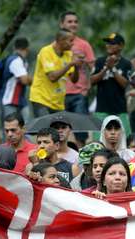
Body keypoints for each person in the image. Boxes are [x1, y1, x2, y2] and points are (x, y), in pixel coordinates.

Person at [59, 11, 95, 147]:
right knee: (59, 132)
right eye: (69, 21)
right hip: (59, 95)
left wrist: (87, 89)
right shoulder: (55, 46)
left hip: (79, 94)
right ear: (61, 24)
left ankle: (80, 161)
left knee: (80, 132)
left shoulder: (84, 45)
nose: (73, 24)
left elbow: (93, 68)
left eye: (75, 21)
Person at [29, 29, 83, 117]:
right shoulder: (46, 51)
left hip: (58, 103)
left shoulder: (68, 54)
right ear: (61, 40)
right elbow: (52, 77)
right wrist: (70, 64)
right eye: (70, 41)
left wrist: (76, 66)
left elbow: (74, 80)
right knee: (45, 129)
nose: (73, 43)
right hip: (42, 100)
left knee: (59, 130)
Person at [91, 33, 132, 137]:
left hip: (120, 109)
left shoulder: (126, 63)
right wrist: (105, 68)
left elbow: (125, 84)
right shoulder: (100, 61)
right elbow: (92, 81)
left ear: (121, 46)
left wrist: (113, 69)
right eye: (107, 43)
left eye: (112, 43)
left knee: (125, 139)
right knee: (99, 140)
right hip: (101, 109)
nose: (108, 45)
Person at [0, 37, 33, 124]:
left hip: (20, 100)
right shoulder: (15, 60)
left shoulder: (22, 61)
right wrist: (32, 79)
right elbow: (24, 80)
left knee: (25, 127)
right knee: (11, 127)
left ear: (14, 47)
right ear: (27, 48)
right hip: (10, 100)